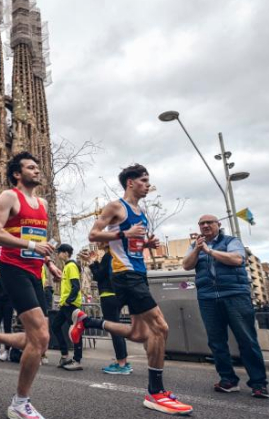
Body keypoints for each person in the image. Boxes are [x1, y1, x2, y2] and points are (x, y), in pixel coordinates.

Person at [70, 164, 193, 415]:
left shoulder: (141, 213)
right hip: (125, 274)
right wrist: (125, 233)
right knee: (160, 328)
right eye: (144, 181)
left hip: (138, 272)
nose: (148, 185)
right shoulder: (116, 207)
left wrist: (146, 244)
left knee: (139, 333)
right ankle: (156, 392)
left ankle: (87, 321)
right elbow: (93, 235)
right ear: (130, 182)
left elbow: (132, 245)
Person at [0, 151, 62, 419]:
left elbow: (39, 240)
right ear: (17, 174)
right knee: (40, 336)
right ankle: (20, 403)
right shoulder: (10, 196)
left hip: (35, 272)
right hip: (13, 269)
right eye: (30, 167)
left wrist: (48, 262)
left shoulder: (42, 203)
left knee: (40, 340)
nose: (37, 170)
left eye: (37, 167)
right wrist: (31, 245)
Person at [183, 213, 269, 398]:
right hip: (207, 298)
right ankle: (228, 380)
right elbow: (186, 265)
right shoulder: (195, 245)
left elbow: (237, 259)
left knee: (246, 339)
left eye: (209, 222)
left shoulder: (231, 241)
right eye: (202, 223)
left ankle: (259, 383)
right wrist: (198, 250)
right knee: (216, 341)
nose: (205, 226)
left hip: (235, 295)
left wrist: (210, 251)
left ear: (218, 225)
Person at [84, 246, 131, 375]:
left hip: (108, 295)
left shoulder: (108, 256)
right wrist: (95, 261)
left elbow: (98, 276)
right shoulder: (115, 256)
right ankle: (123, 361)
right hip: (116, 295)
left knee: (114, 329)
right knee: (117, 328)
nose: (98, 243)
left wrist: (92, 263)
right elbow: (103, 273)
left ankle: (121, 364)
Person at [51, 244, 84, 371]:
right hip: (65, 305)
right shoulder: (67, 266)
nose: (58, 254)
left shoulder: (71, 266)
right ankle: (64, 355)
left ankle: (77, 360)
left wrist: (68, 301)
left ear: (65, 253)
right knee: (55, 326)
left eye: (59, 252)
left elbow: (76, 286)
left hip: (71, 305)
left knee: (76, 331)